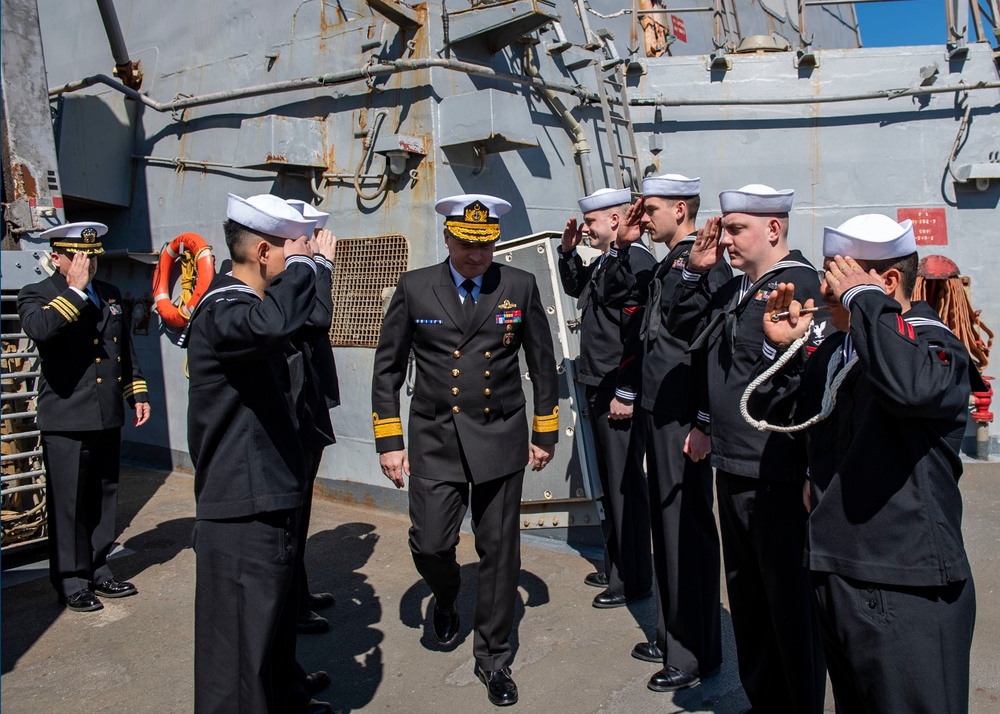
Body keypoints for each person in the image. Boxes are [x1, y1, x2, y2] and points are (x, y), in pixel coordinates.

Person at [751, 214, 978, 713]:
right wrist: (780, 349)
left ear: (888, 281)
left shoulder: (932, 344)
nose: (825, 294)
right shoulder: (838, 347)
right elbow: (777, 415)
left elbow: (911, 387)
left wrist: (864, 299)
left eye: (837, 284)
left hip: (906, 583)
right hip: (840, 571)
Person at [371, 193, 559, 707]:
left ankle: (494, 659)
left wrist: (545, 432)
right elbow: (387, 370)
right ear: (449, 238)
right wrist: (390, 441)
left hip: (499, 437)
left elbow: (543, 365)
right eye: (466, 245)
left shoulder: (518, 285)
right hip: (435, 439)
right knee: (431, 543)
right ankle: (447, 595)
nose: (477, 256)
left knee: (499, 554)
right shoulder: (414, 288)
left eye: (486, 246)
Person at [665, 184, 829, 712]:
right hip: (735, 463)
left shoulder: (800, 285)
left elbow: (811, 381)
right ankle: (765, 701)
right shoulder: (738, 289)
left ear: (773, 229)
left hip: (776, 470)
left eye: (736, 229)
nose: (727, 238)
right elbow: (683, 327)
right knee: (750, 599)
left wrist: (812, 470)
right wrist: (695, 269)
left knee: (789, 604)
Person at [183, 193, 330, 713]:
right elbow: (273, 325)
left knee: (263, 642)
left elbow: (298, 326)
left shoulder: (247, 307)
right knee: (235, 666)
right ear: (265, 252)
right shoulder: (224, 308)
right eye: (289, 250)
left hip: (266, 495)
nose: (294, 260)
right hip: (241, 505)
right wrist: (311, 264)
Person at [603, 174, 731, 692]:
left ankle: (695, 651)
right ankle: (671, 630)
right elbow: (615, 296)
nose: (643, 216)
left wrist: (704, 421)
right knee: (664, 527)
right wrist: (624, 244)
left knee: (686, 533)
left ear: (681, 209)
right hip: (659, 409)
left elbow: (710, 351)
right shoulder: (666, 263)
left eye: (650, 208)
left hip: (684, 418)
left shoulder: (708, 266)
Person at [18, 222, 150, 612]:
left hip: (106, 413)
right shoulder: (36, 294)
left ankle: (98, 568)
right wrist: (75, 290)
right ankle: (70, 579)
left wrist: (135, 391)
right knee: (69, 503)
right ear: (56, 258)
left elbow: (121, 350)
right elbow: (41, 330)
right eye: (78, 256)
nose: (87, 263)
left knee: (103, 497)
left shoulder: (108, 294)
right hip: (65, 418)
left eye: (91, 256)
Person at [557, 187, 654, 609]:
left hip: (618, 391)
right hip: (601, 385)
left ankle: (631, 579)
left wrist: (625, 393)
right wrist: (567, 253)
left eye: (593, 222)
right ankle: (617, 563)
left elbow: (638, 337)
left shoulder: (637, 262)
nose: (588, 229)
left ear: (615, 221)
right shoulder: (610, 261)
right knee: (611, 486)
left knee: (624, 486)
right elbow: (578, 287)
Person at [286, 198, 340, 636]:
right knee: (291, 514)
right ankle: (291, 605)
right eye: (308, 237)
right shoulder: (290, 275)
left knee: (300, 510)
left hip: (309, 406)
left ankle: (297, 593)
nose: (315, 243)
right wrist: (320, 265)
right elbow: (318, 317)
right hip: (294, 412)